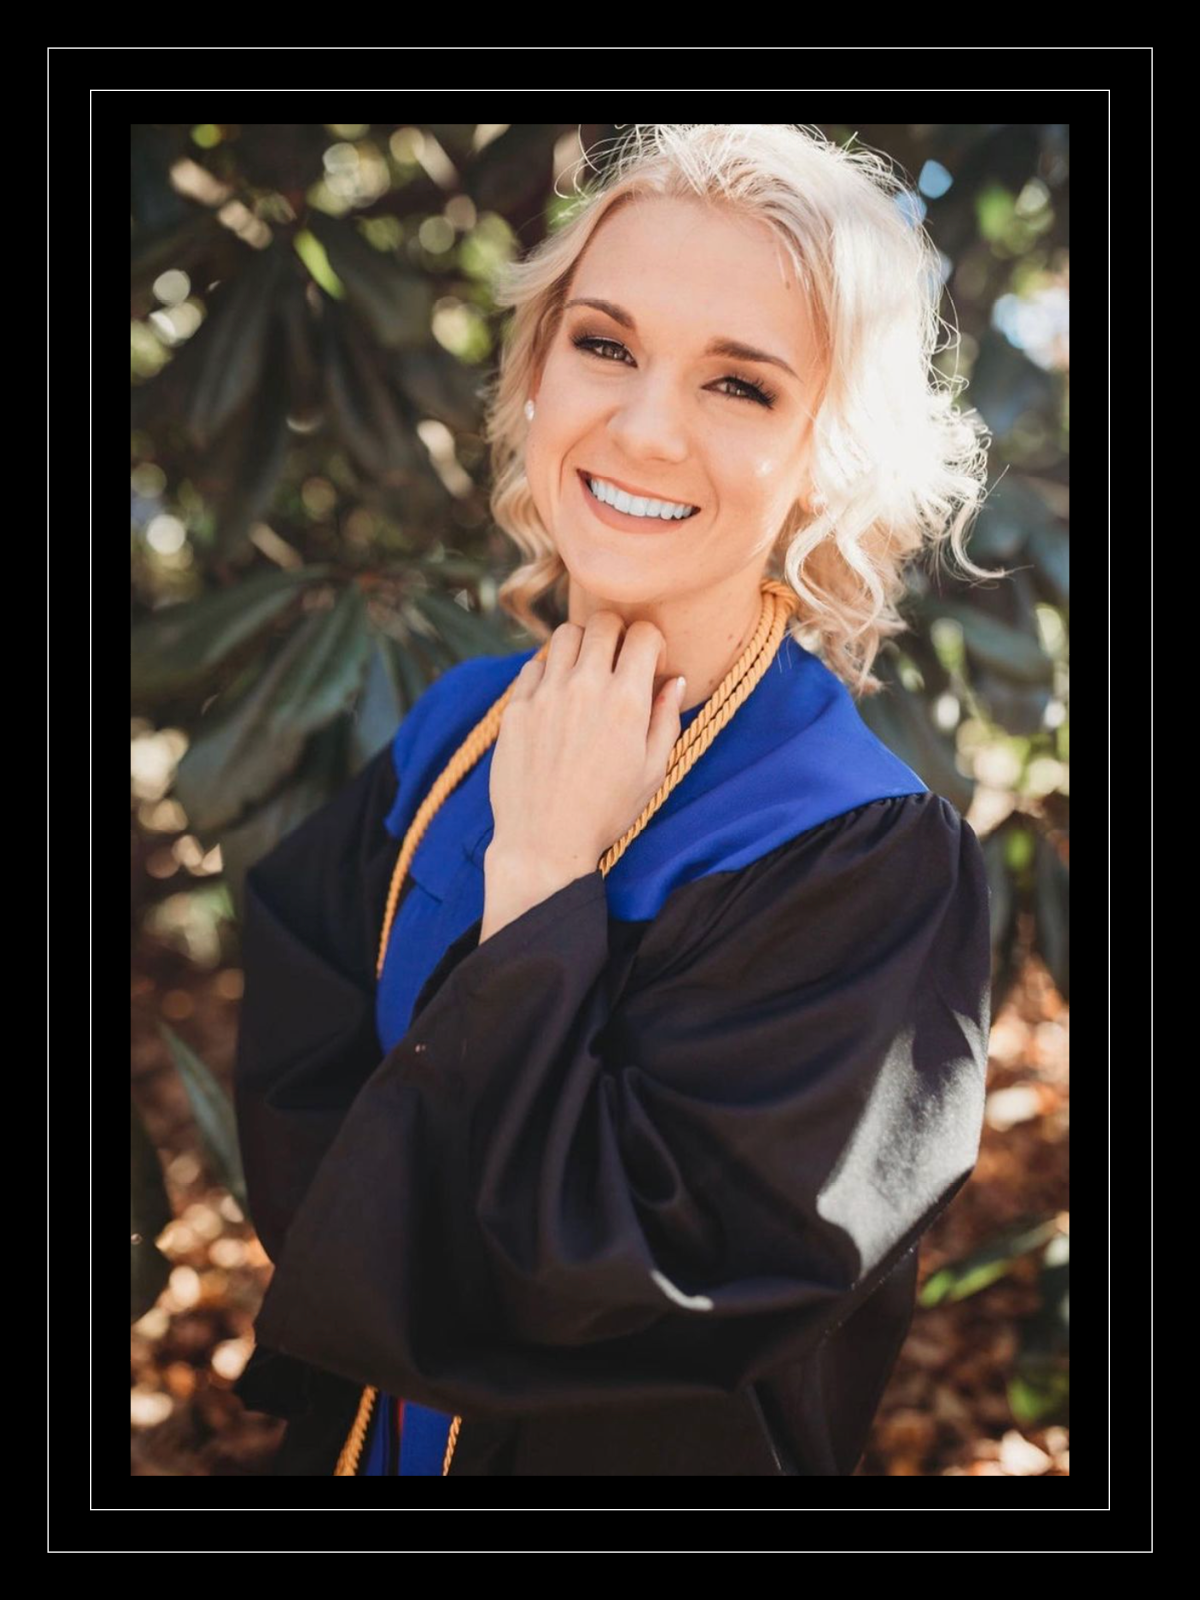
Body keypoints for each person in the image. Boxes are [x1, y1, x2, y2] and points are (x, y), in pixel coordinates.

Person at [231, 124, 1004, 1477]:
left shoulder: (861, 852)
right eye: (605, 344)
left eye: (741, 385)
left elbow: (660, 1298)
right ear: (536, 369)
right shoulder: (453, 734)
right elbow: (301, 1111)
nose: (644, 429)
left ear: (830, 452)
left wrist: (542, 880)